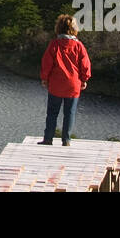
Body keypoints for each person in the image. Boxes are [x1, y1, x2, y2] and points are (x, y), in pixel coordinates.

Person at [39, 13, 91, 146]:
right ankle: (66, 140)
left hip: (56, 84)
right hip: (73, 85)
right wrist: (84, 79)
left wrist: (44, 78)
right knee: (69, 114)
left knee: (52, 113)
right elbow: (85, 64)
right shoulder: (79, 46)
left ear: (59, 28)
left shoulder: (54, 44)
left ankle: (48, 139)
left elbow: (47, 63)